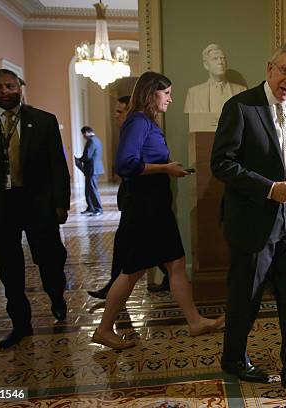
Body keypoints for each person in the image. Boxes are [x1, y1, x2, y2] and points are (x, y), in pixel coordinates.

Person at [211, 43, 286, 402]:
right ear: (269, 68)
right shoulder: (241, 107)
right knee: (244, 299)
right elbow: (222, 164)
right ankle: (233, 358)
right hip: (252, 221)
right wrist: (268, 189)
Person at [92, 72, 224, 350]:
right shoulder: (138, 121)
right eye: (167, 93)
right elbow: (125, 165)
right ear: (153, 93)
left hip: (155, 206)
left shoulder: (145, 123)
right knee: (132, 272)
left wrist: (168, 168)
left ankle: (195, 321)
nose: (170, 98)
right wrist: (166, 168)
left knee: (175, 263)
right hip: (145, 208)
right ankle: (104, 329)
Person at [0, 69, 70, 349]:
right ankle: (21, 323)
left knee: (50, 259)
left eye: (10, 85)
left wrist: (61, 203)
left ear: (19, 87)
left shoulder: (43, 121)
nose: (5, 91)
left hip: (37, 205)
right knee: (10, 269)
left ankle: (57, 297)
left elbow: (58, 165)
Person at [87, 96, 170, 300]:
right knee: (154, 247)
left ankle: (113, 291)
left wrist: (167, 168)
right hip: (136, 196)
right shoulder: (134, 129)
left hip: (143, 199)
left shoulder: (140, 127)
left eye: (120, 111)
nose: (115, 115)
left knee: (130, 246)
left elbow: (131, 165)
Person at [184, 44, 246, 113]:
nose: (220, 62)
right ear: (206, 65)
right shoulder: (194, 94)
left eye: (222, 58)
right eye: (215, 59)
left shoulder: (241, 91)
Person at [75, 126, 104, 216]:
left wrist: (79, 160)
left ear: (86, 133)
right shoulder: (97, 139)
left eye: (83, 134)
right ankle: (91, 208)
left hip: (92, 169)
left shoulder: (91, 141)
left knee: (92, 190)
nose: (83, 136)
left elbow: (87, 155)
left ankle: (98, 209)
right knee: (88, 190)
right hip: (93, 169)